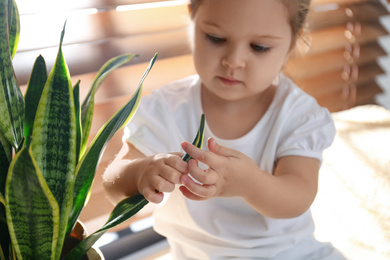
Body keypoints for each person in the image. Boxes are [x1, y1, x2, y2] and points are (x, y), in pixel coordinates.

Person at [103, 0, 346, 259]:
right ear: (192, 20)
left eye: (259, 47)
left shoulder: (298, 115)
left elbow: (299, 195)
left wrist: (250, 184)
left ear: (292, 43)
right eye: (216, 38)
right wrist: (140, 172)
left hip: (287, 254)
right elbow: (112, 183)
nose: (233, 61)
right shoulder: (165, 108)